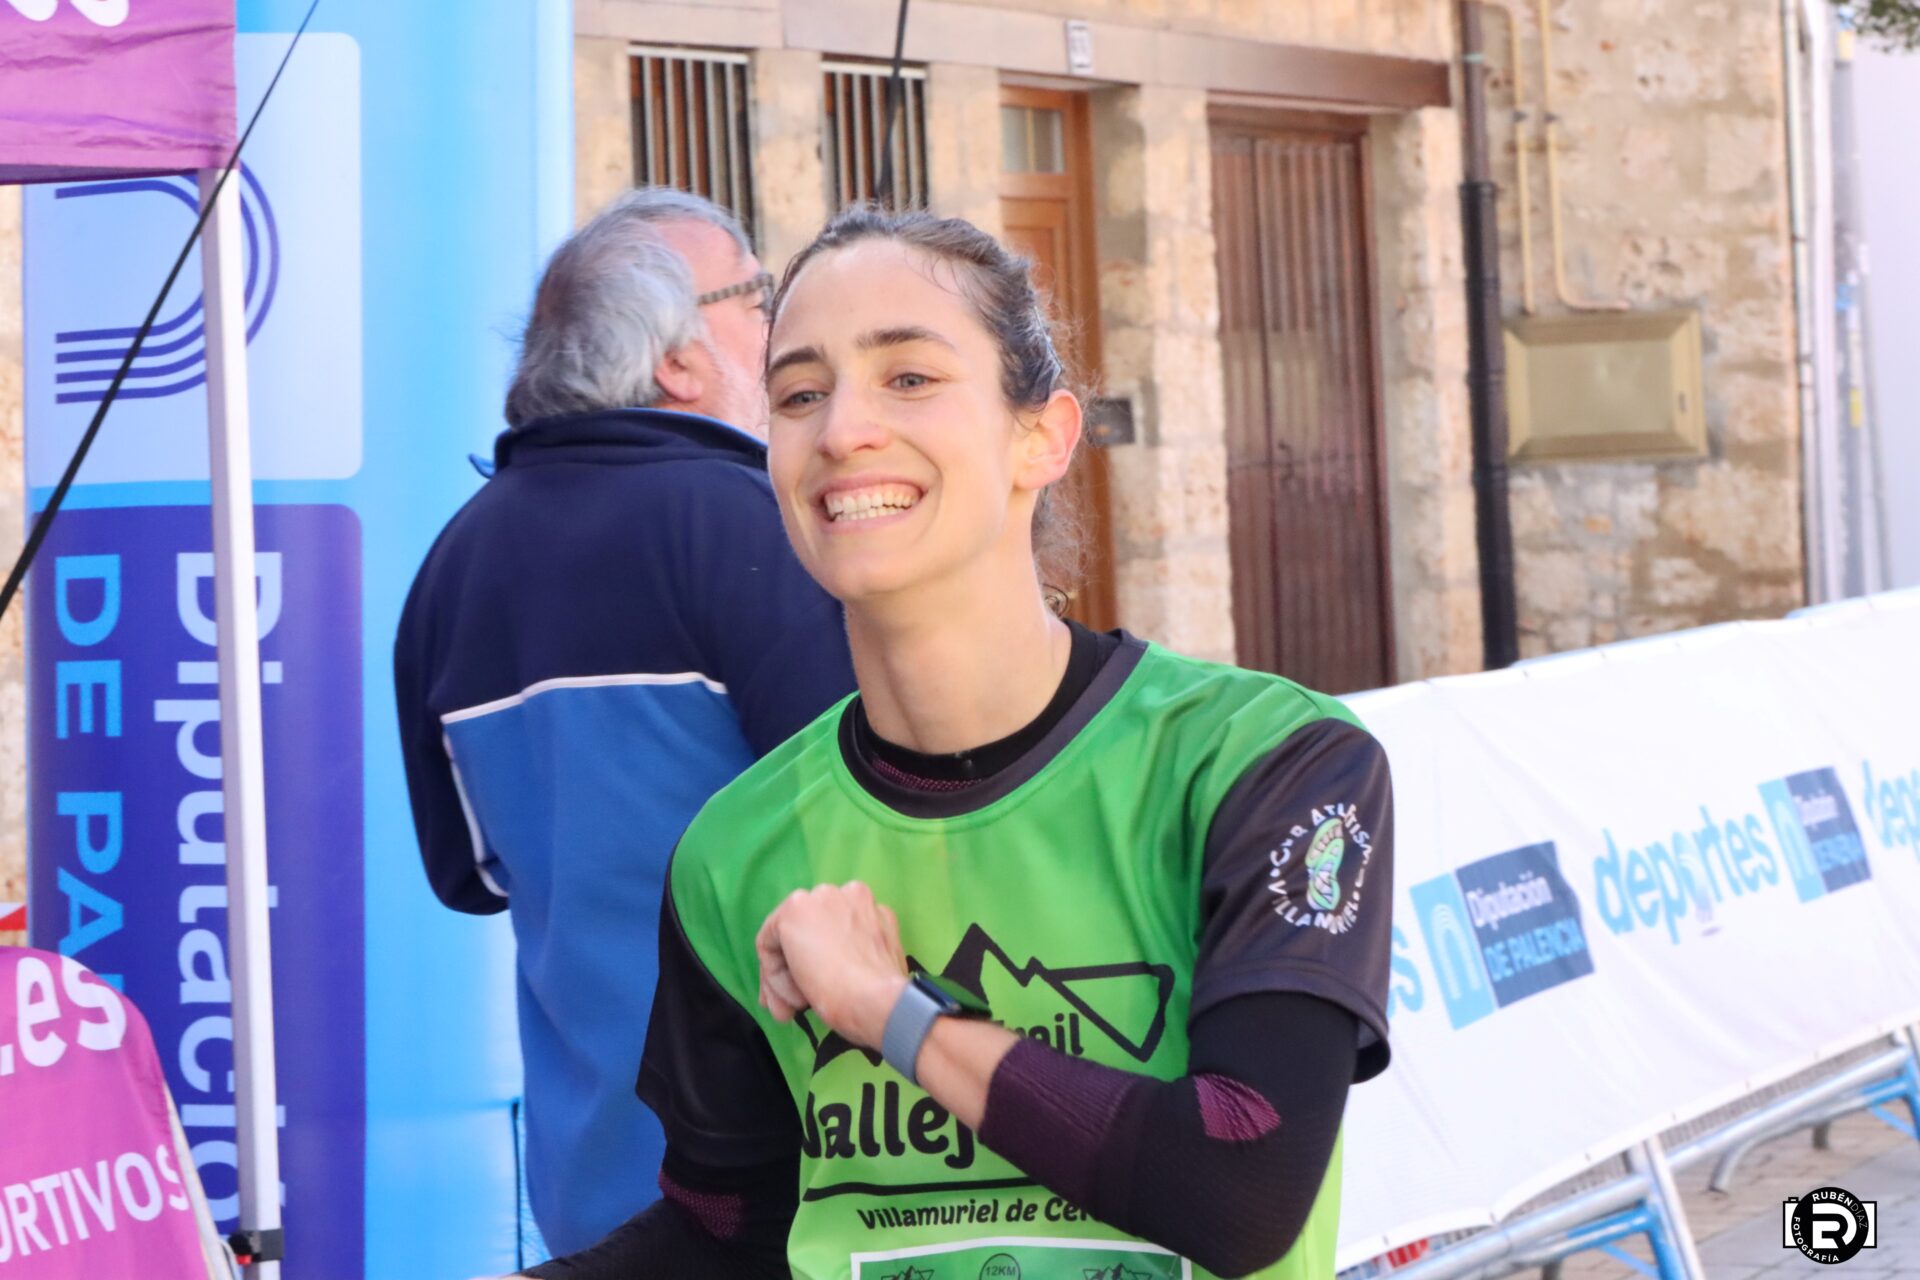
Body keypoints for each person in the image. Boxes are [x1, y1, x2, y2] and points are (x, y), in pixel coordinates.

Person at [522, 207, 1394, 1280]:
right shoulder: (732, 851)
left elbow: (1240, 1187)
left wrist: (891, 1013)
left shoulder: (1264, 761)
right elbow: (726, 1233)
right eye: (799, 394)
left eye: (910, 377)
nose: (844, 429)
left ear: (1044, 436)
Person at [394, 187, 856, 1256]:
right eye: (758, 298)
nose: (779, 332)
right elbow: (880, 826)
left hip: (589, 1184)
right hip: (782, 1184)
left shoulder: (450, 566)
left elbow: (468, 874)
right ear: (681, 362)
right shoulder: (753, 527)